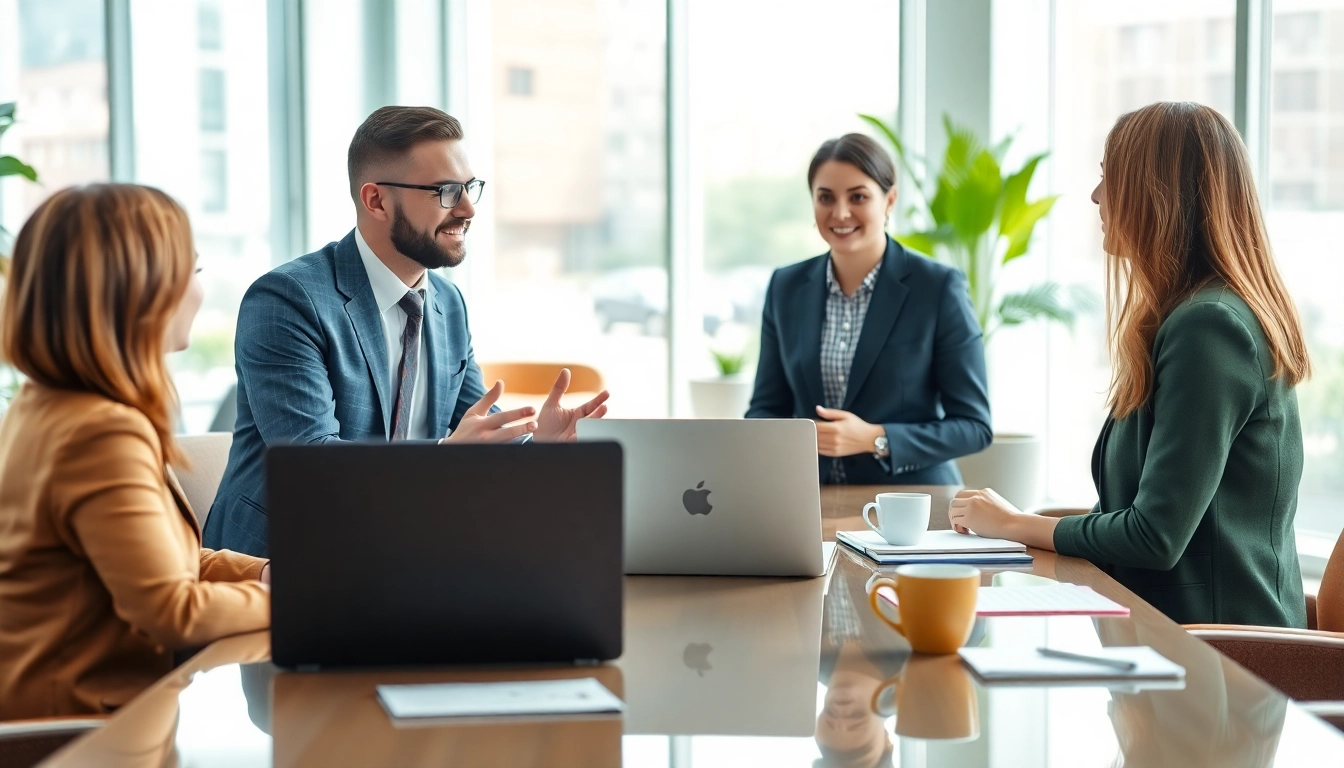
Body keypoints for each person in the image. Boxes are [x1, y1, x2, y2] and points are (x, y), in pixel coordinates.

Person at [949, 102, 1312, 627]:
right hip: (1168, 631)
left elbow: (1154, 536)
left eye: (1110, 178)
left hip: (1222, 653)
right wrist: (1020, 524)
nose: (1097, 196)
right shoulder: (1184, 319)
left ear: (1160, 195)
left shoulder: (1210, 328)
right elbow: (1139, 513)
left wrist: (1015, 524)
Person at [203, 106, 609, 557]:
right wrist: (441, 462)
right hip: (283, 565)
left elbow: (469, 435)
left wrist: (540, 448)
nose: (469, 208)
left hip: (405, 554)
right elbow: (311, 467)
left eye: (470, 187)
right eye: (446, 191)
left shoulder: (447, 305)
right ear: (376, 200)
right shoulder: (287, 300)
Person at [0, 184, 270, 719]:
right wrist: (306, 600)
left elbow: (165, 563)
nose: (201, 291)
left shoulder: (49, 405)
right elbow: (172, 611)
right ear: (142, 291)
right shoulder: (99, 433)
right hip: (83, 735)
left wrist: (262, 574)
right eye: (192, 271)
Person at [747, 133, 992, 485]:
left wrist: (875, 438)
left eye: (858, 196)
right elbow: (764, 410)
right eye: (825, 197)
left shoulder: (938, 288)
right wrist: (798, 438)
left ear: (889, 200)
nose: (840, 213)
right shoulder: (786, 287)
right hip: (808, 498)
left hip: (912, 504)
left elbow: (973, 427)